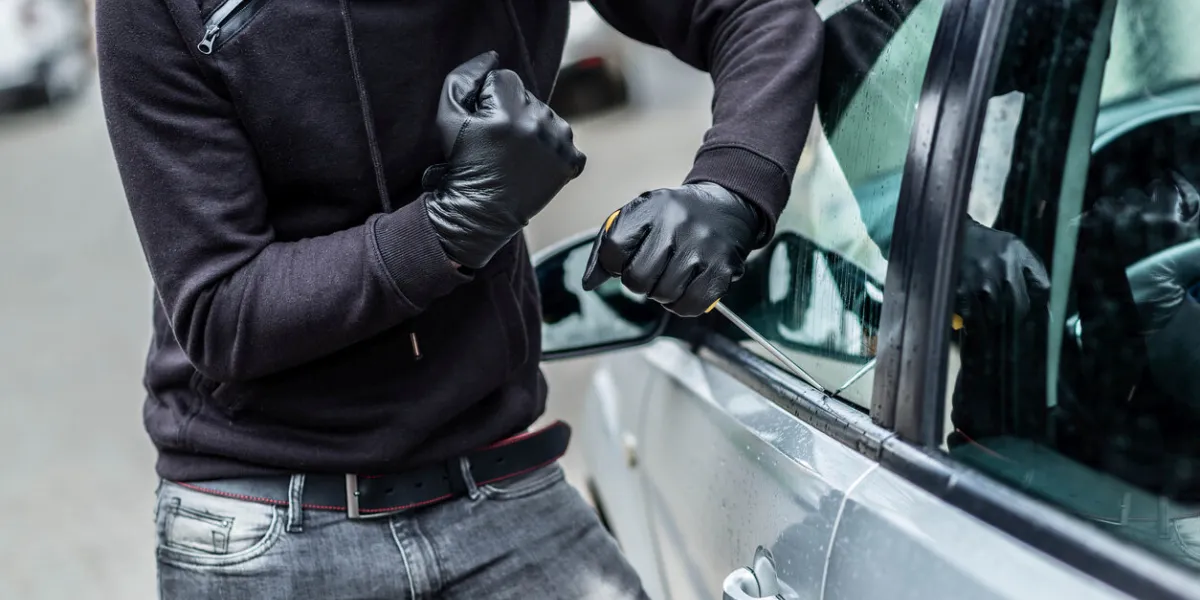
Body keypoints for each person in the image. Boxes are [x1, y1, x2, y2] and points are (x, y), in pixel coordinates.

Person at [95, 0, 824, 598]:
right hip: (267, 520)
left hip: (498, 484)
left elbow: (756, 12)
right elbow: (224, 309)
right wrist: (452, 225)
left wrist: (732, 186)